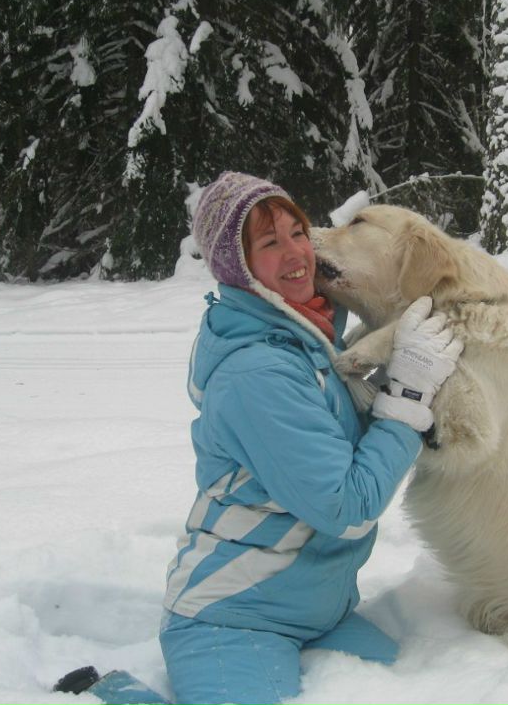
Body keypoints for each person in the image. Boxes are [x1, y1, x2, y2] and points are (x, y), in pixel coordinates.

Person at [160, 171, 462, 705]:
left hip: (318, 614)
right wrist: (407, 399)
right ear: (238, 266)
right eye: (269, 242)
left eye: (297, 232)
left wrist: (396, 380)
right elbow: (345, 508)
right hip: (232, 618)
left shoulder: (308, 338)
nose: (296, 251)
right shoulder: (258, 374)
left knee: (428, 688)